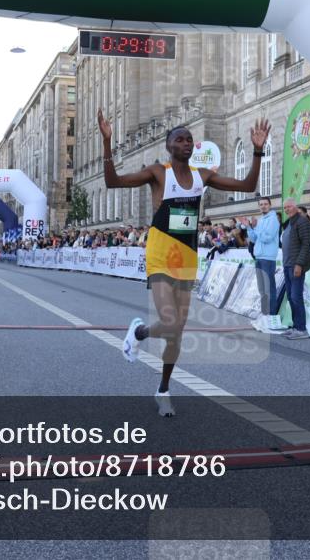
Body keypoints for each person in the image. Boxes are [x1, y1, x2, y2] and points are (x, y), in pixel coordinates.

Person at [99, 107, 270, 417]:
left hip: (188, 254)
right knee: (169, 321)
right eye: (181, 139)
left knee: (176, 332)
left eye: (190, 139)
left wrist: (258, 152)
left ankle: (163, 388)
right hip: (161, 250)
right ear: (170, 146)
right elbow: (113, 182)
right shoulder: (157, 172)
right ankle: (139, 335)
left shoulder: (202, 176)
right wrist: (107, 143)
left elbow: (246, 186)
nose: (187, 143)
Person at [242, 197, 280, 332]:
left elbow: (266, 238)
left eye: (265, 204)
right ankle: (265, 316)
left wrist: (255, 227)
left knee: (269, 290)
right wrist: (248, 227)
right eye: (261, 204)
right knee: (262, 290)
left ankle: (271, 317)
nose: (263, 206)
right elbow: (253, 239)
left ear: (270, 205)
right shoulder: (262, 220)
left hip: (268, 258)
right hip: (259, 257)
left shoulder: (273, 219)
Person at [279, 199, 310, 338]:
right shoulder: (289, 223)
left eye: (289, 207)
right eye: (285, 208)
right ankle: (295, 326)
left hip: (295, 265)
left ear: (296, 207)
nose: (286, 209)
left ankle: (301, 329)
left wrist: (299, 264)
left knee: (296, 296)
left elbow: (306, 245)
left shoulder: (302, 222)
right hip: (287, 265)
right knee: (291, 297)